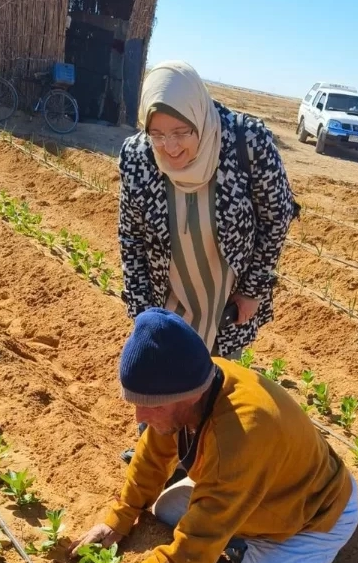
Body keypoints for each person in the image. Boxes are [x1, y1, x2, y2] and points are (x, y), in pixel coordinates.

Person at [41, 309, 358, 563]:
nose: (139, 417)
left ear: (187, 396)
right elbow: (152, 454)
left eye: (149, 407)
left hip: (309, 517)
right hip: (258, 497)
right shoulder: (193, 383)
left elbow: (191, 553)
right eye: (136, 404)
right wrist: (120, 515)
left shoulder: (240, 435)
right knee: (165, 509)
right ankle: (244, 545)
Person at [118, 60, 296, 462]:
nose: (171, 147)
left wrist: (252, 290)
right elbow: (129, 235)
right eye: (158, 134)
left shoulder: (246, 141)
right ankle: (155, 457)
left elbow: (277, 216)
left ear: (201, 116)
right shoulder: (136, 156)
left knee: (212, 382)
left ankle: (201, 463)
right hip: (168, 293)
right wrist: (144, 312)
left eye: (182, 132)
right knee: (161, 381)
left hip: (225, 299)